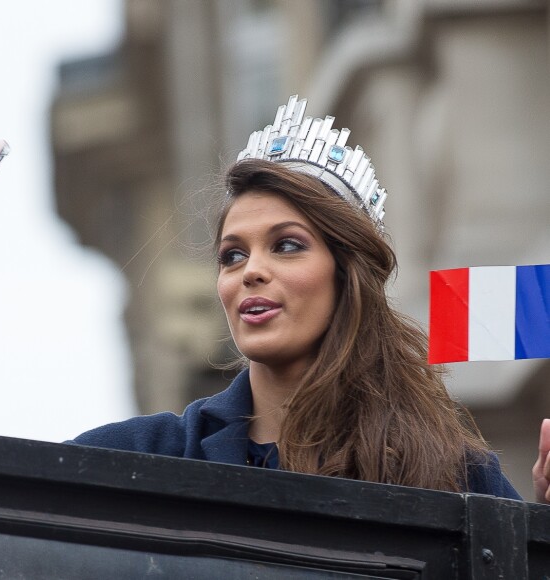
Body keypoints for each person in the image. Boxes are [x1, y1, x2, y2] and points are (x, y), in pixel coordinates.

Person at [70, 95, 546, 501]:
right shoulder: (149, 458)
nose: (250, 271)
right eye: (232, 256)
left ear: (347, 274)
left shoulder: (454, 475)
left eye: (287, 245)